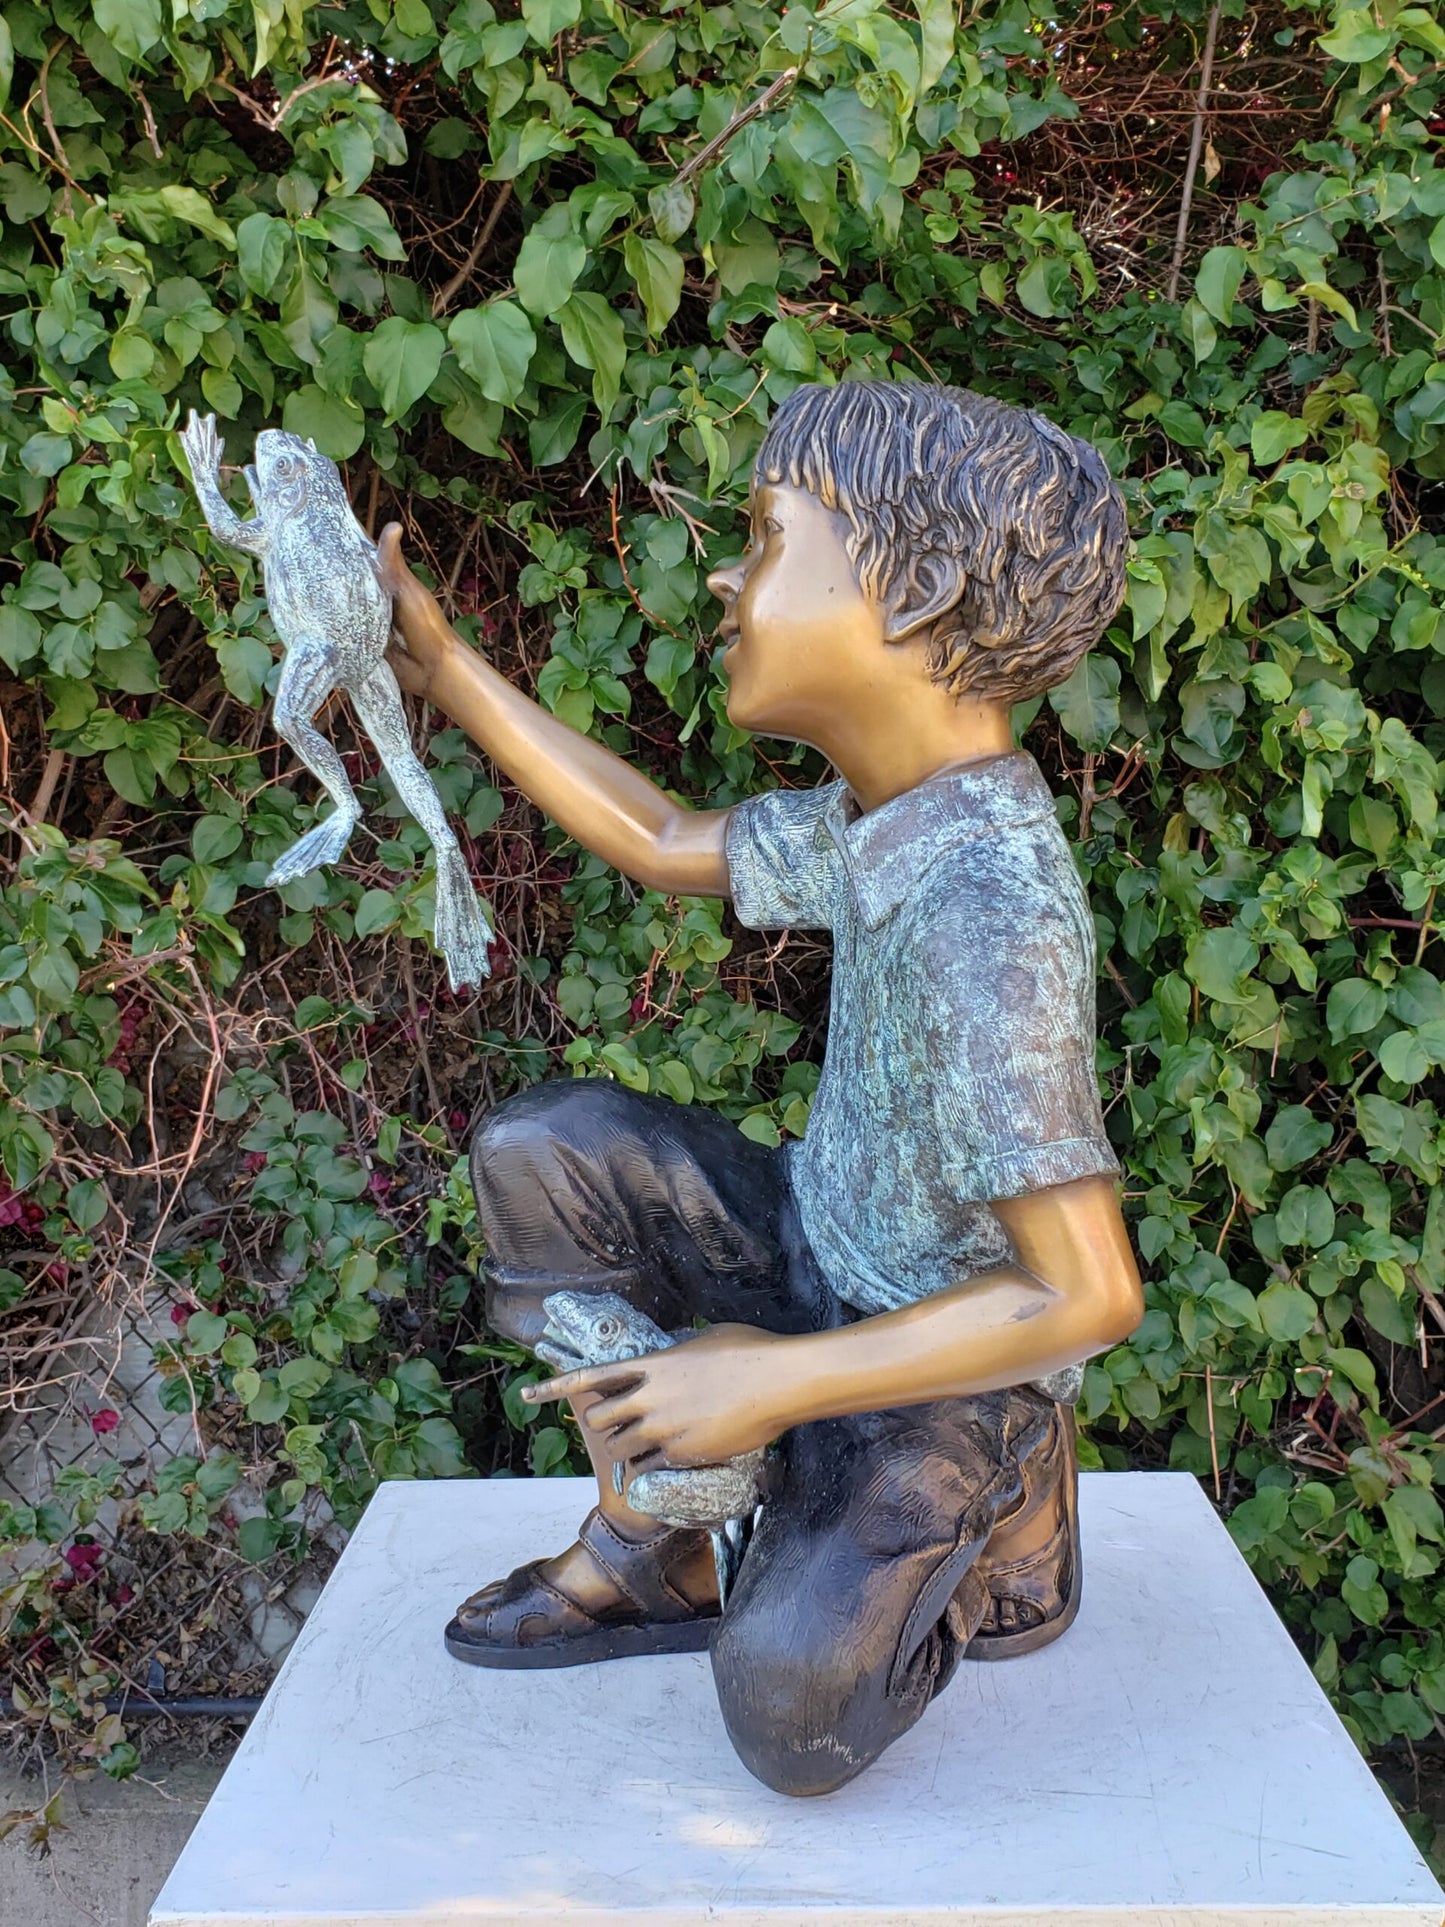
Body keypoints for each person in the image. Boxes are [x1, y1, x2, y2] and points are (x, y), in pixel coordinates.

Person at [377, 380, 1144, 1795]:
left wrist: (771, 1383)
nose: (728, 576)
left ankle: (1000, 1507)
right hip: (815, 1239)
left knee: (795, 1708)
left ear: (907, 595)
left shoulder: (992, 914)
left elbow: (1088, 1294)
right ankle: (662, 1531)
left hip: (939, 1349)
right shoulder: (890, 820)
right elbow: (663, 835)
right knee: (546, 1151)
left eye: (768, 537)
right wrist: (442, 666)